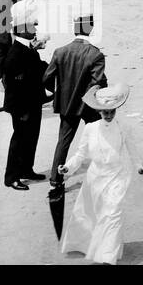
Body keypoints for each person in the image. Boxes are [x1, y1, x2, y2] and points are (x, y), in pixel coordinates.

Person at [57, 84, 143, 264]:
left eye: (112, 111)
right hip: (95, 177)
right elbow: (80, 153)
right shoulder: (90, 128)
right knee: (89, 214)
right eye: (105, 112)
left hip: (117, 176)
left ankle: (108, 256)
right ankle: (86, 246)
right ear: (98, 111)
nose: (109, 115)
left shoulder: (123, 127)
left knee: (113, 214)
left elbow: (132, 149)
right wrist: (67, 167)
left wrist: (139, 166)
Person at [44, 11, 107, 176]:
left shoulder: (60, 51)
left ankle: (55, 180)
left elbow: (47, 78)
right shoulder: (95, 54)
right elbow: (98, 82)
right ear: (91, 29)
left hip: (67, 105)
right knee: (100, 137)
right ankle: (102, 172)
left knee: (63, 142)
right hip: (88, 106)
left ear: (74, 29)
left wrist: (59, 94)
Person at [3, 0, 50, 190]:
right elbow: (13, 86)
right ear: (22, 29)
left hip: (33, 103)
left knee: (31, 138)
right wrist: (20, 110)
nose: (35, 28)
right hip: (22, 107)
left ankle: (26, 169)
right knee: (20, 139)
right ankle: (12, 177)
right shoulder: (16, 53)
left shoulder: (27, 49)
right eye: (32, 25)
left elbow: (38, 70)